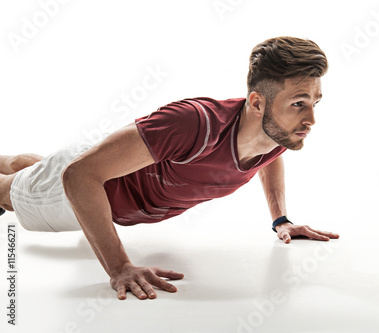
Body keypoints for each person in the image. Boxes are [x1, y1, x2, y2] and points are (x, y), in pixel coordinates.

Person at [0, 36, 339, 300]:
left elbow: (270, 156)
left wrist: (281, 219)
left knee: (24, 169)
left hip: (90, 163)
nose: (310, 119)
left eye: (314, 103)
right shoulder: (194, 123)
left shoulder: (275, 131)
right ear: (256, 102)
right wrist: (119, 267)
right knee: (6, 193)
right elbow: (78, 175)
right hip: (73, 193)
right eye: (299, 104)